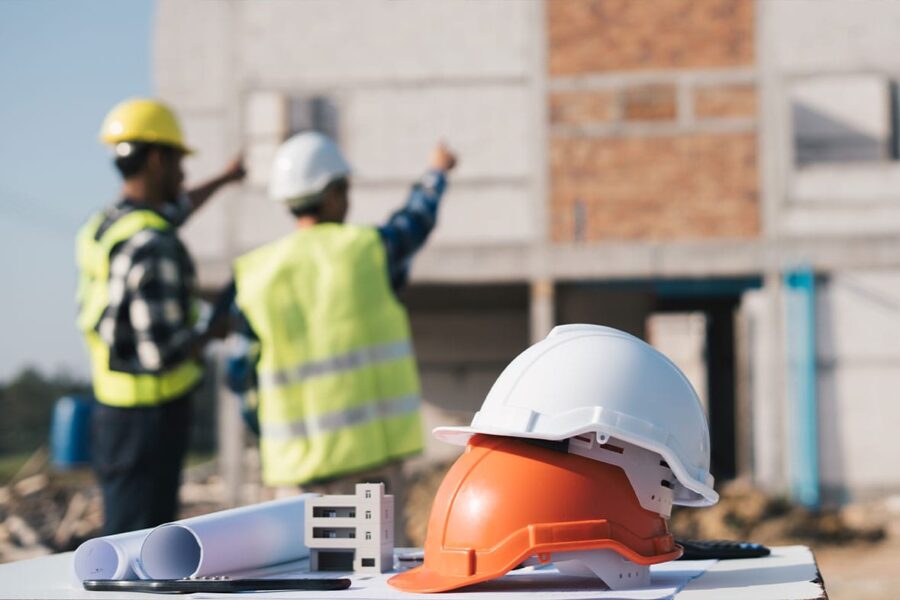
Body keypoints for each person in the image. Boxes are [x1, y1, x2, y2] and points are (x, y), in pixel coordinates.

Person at [229, 131, 456, 543]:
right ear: (331, 194)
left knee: (303, 584)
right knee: (371, 582)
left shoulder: (256, 274)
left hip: (295, 477)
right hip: (368, 471)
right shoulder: (367, 250)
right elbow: (414, 222)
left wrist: (275, 441)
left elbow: (238, 374)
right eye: (345, 189)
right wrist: (435, 174)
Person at [76, 98, 245, 535]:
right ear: (155, 158)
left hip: (114, 411)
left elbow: (176, 207)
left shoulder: (105, 226)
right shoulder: (154, 244)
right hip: (149, 423)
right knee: (141, 547)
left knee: (124, 533)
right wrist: (213, 330)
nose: (184, 174)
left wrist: (226, 178)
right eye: (178, 161)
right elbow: (163, 352)